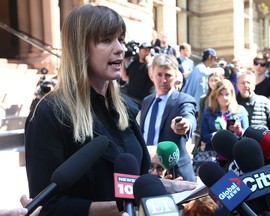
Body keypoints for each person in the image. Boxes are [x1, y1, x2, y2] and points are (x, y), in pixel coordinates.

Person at [24, 5, 196, 216]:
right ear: (80, 48)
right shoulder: (50, 114)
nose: (120, 49)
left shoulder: (127, 108)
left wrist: (160, 188)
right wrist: (124, 207)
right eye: (106, 40)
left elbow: (132, 179)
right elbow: (46, 206)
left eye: (121, 40)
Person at [140, 54, 197, 182]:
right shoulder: (146, 102)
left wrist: (185, 124)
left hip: (176, 175)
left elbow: (189, 116)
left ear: (176, 75)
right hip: (147, 172)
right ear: (151, 75)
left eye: (168, 75)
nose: (163, 80)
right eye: (159, 74)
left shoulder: (184, 100)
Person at [201, 79, 249, 166]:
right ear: (215, 95)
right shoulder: (208, 112)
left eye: (227, 94)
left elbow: (247, 136)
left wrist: (239, 131)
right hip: (214, 156)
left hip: (234, 157)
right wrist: (218, 135)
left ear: (232, 95)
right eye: (221, 95)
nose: (224, 98)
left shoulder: (240, 111)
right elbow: (203, 136)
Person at [236, 70, 270, 137]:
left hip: (261, 144)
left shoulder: (264, 102)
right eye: (243, 83)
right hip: (239, 145)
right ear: (237, 85)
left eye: (248, 82)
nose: (246, 85)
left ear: (254, 85)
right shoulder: (233, 103)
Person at [181, 48, 218, 113]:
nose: (214, 61)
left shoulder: (203, 68)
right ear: (209, 57)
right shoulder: (200, 69)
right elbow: (206, 73)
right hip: (197, 108)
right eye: (214, 58)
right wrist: (219, 70)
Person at [125, 42, 154, 106]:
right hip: (132, 98)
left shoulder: (152, 65)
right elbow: (125, 77)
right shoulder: (134, 63)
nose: (147, 53)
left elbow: (153, 77)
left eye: (149, 50)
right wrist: (122, 61)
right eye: (145, 50)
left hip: (144, 101)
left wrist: (149, 63)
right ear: (140, 51)